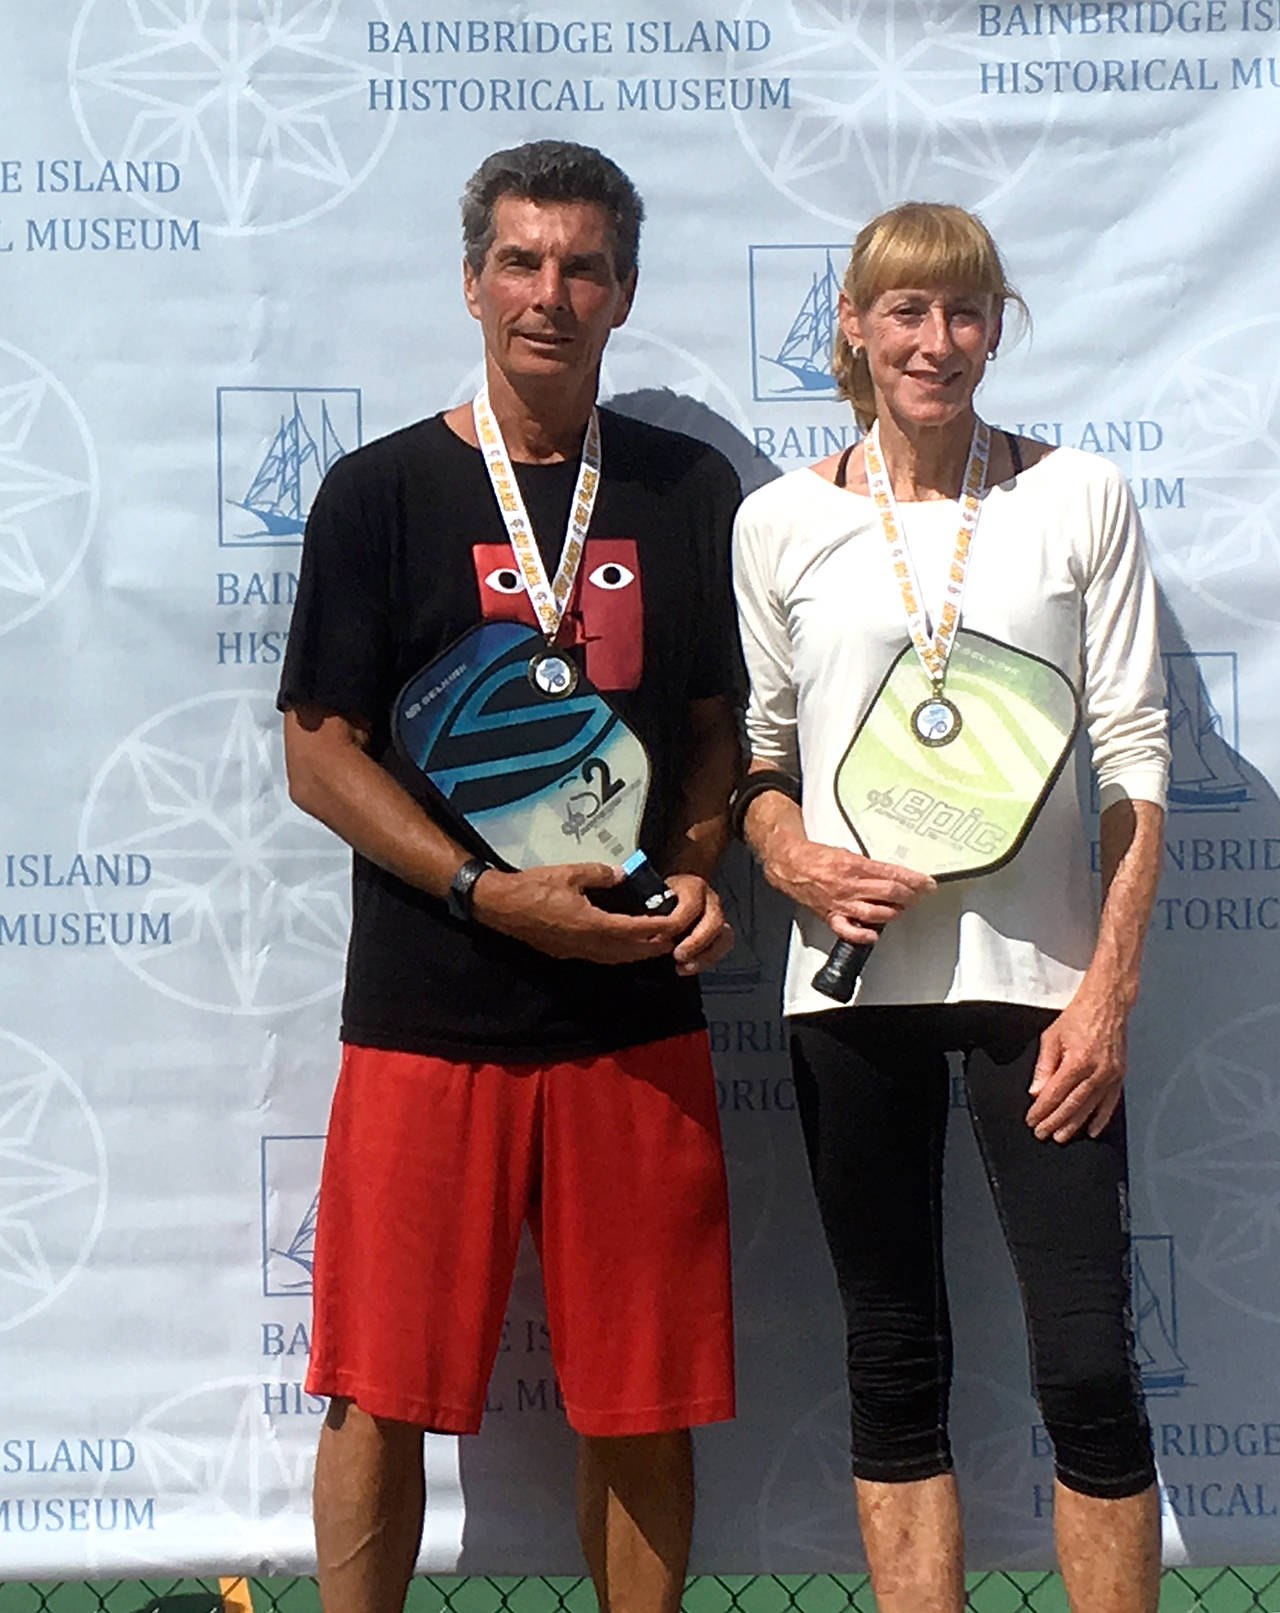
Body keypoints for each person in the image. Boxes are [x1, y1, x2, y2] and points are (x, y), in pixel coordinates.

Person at [277, 140, 743, 1613]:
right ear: (473, 279)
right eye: (523, 262)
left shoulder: (686, 489)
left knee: (641, 1398)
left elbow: (723, 728)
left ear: (624, 293)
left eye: (584, 266)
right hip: (430, 1010)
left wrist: (693, 865)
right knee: (376, 1391)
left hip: (634, 1014)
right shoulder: (380, 491)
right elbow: (318, 750)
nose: (552, 292)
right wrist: (482, 895)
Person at [731, 202, 1169, 1613]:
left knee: (1090, 1366)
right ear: (853, 327)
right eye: (906, 312)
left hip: (1043, 989)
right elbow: (760, 758)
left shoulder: (1077, 494)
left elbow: (1137, 766)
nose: (937, 340)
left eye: (966, 311)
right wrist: (790, 856)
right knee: (896, 1358)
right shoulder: (780, 521)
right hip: (852, 989)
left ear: (997, 326)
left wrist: (1106, 990)